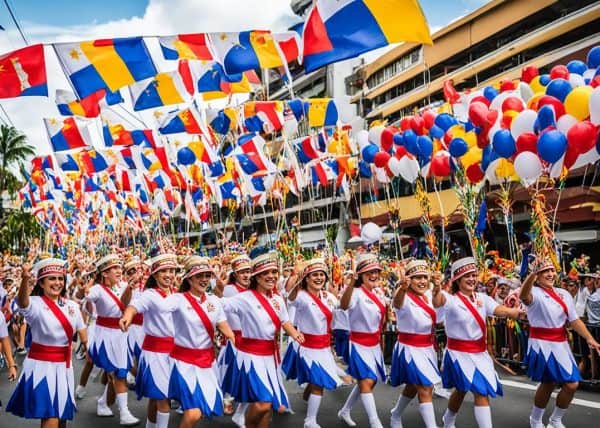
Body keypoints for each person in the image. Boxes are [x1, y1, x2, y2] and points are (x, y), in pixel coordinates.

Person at [432, 257, 523, 428]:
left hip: (480, 354)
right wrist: (436, 289)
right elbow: (438, 301)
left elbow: (499, 310)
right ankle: (450, 420)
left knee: (463, 390)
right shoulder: (450, 299)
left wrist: (515, 312)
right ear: (457, 280)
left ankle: (448, 419)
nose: (472, 279)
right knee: (477, 391)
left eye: (474, 275)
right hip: (458, 354)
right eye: (467, 276)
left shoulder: (482, 298)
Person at [222, 252, 304, 428]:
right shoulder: (244, 298)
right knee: (263, 403)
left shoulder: (277, 299)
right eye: (266, 273)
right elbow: (221, 306)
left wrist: (294, 333)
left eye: (274, 272)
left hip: (270, 357)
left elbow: (285, 321)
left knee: (266, 410)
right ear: (257, 277)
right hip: (250, 357)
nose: (271, 276)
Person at [6, 258, 87, 428]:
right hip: (42, 367)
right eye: (52, 278)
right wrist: (25, 279)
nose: (57, 283)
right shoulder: (35, 304)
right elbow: (22, 302)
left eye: (60, 278)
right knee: (50, 415)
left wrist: (87, 347)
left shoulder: (72, 305)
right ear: (41, 283)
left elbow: (81, 330)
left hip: (64, 367)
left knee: (61, 417)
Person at [520, 259, 600, 428]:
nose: (550, 274)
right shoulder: (533, 292)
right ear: (538, 276)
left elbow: (574, 319)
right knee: (548, 383)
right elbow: (523, 296)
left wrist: (589, 338)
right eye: (545, 271)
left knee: (572, 384)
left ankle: (555, 419)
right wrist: (531, 275)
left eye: (552, 271)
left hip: (561, 344)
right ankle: (535, 420)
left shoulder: (563, 293)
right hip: (541, 344)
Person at [167, 256, 235, 427]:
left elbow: (223, 324)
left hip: (207, 363)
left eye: (207, 275)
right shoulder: (178, 299)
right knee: (194, 412)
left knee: (200, 410)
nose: (204, 280)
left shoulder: (214, 301)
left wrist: (236, 341)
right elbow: (156, 307)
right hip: (183, 363)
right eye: (199, 276)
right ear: (189, 279)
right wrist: (130, 312)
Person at [284, 258, 345, 428]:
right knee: (318, 384)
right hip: (307, 347)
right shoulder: (302, 297)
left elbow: (341, 310)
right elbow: (291, 298)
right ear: (307, 279)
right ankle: (310, 421)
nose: (319, 278)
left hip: (324, 348)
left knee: (318, 384)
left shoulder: (329, 297)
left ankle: (308, 398)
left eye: (321, 275)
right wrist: (297, 278)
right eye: (314, 275)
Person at [120, 254, 178, 428]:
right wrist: (127, 316)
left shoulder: (178, 295)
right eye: (163, 271)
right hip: (155, 354)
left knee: (156, 398)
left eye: (171, 271)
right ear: (154, 275)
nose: (168, 275)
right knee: (162, 398)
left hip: (174, 354)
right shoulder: (150, 295)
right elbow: (134, 305)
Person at [84, 254, 139, 425]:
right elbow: (86, 298)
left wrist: (130, 288)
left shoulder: (123, 285)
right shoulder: (98, 289)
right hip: (105, 335)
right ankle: (124, 413)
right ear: (104, 273)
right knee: (118, 373)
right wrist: (85, 290)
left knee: (118, 372)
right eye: (114, 269)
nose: (119, 271)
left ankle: (103, 402)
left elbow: (124, 303)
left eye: (118, 268)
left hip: (121, 334)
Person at [337, 253, 388, 428]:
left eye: (376, 272)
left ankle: (345, 410)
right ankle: (375, 423)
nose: (373, 275)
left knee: (368, 381)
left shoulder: (379, 292)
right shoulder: (356, 293)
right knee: (366, 380)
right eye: (369, 273)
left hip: (374, 344)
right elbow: (344, 305)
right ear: (361, 275)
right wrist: (351, 282)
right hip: (358, 343)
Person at [389, 259, 442, 428]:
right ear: (409, 280)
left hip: (428, 348)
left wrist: (439, 287)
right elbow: (397, 303)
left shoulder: (429, 295)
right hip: (410, 348)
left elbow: (441, 310)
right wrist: (402, 289)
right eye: (417, 278)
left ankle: (396, 413)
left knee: (414, 385)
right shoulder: (403, 296)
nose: (422, 281)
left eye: (425, 277)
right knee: (425, 388)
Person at [218, 254, 252, 427]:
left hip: (250, 337)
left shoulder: (253, 290)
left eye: (248, 272)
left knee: (246, 374)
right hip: (233, 336)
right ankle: (227, 398)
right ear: (235, 274)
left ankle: (238, 406)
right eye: (242, 272)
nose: (246, 275)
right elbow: (218, 298)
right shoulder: (230, 289)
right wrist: (219, 283)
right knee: (228, 369)